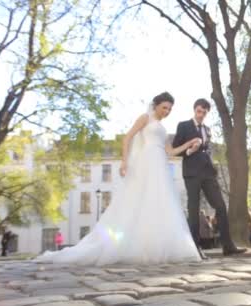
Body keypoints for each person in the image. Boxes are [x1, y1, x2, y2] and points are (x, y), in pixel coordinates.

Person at [36, 92, 202, 265]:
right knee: (138, 200)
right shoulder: (145, 118)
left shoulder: (162, 129)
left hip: (160, 164)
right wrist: (124, 162)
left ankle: (154, 245)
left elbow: (171, 152)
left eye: (170, 109)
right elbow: (127, 137)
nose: (167, 112)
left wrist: (189, 143)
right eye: (164, 107)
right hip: (146, 162)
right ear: (156, 105)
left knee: (158, 202)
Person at [172, 98, 246, 257]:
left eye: (204, 113)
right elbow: (175, 150)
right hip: (191, 173)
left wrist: (213, 168)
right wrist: (190, 149)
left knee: (220, 206)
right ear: (194, 109)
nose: (201, 115)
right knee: (194, 210)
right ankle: (194, 249)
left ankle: (228, 246)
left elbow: (207, 151)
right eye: (199, 111)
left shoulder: (207, 129)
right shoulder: (183, 125)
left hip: (208, 173)